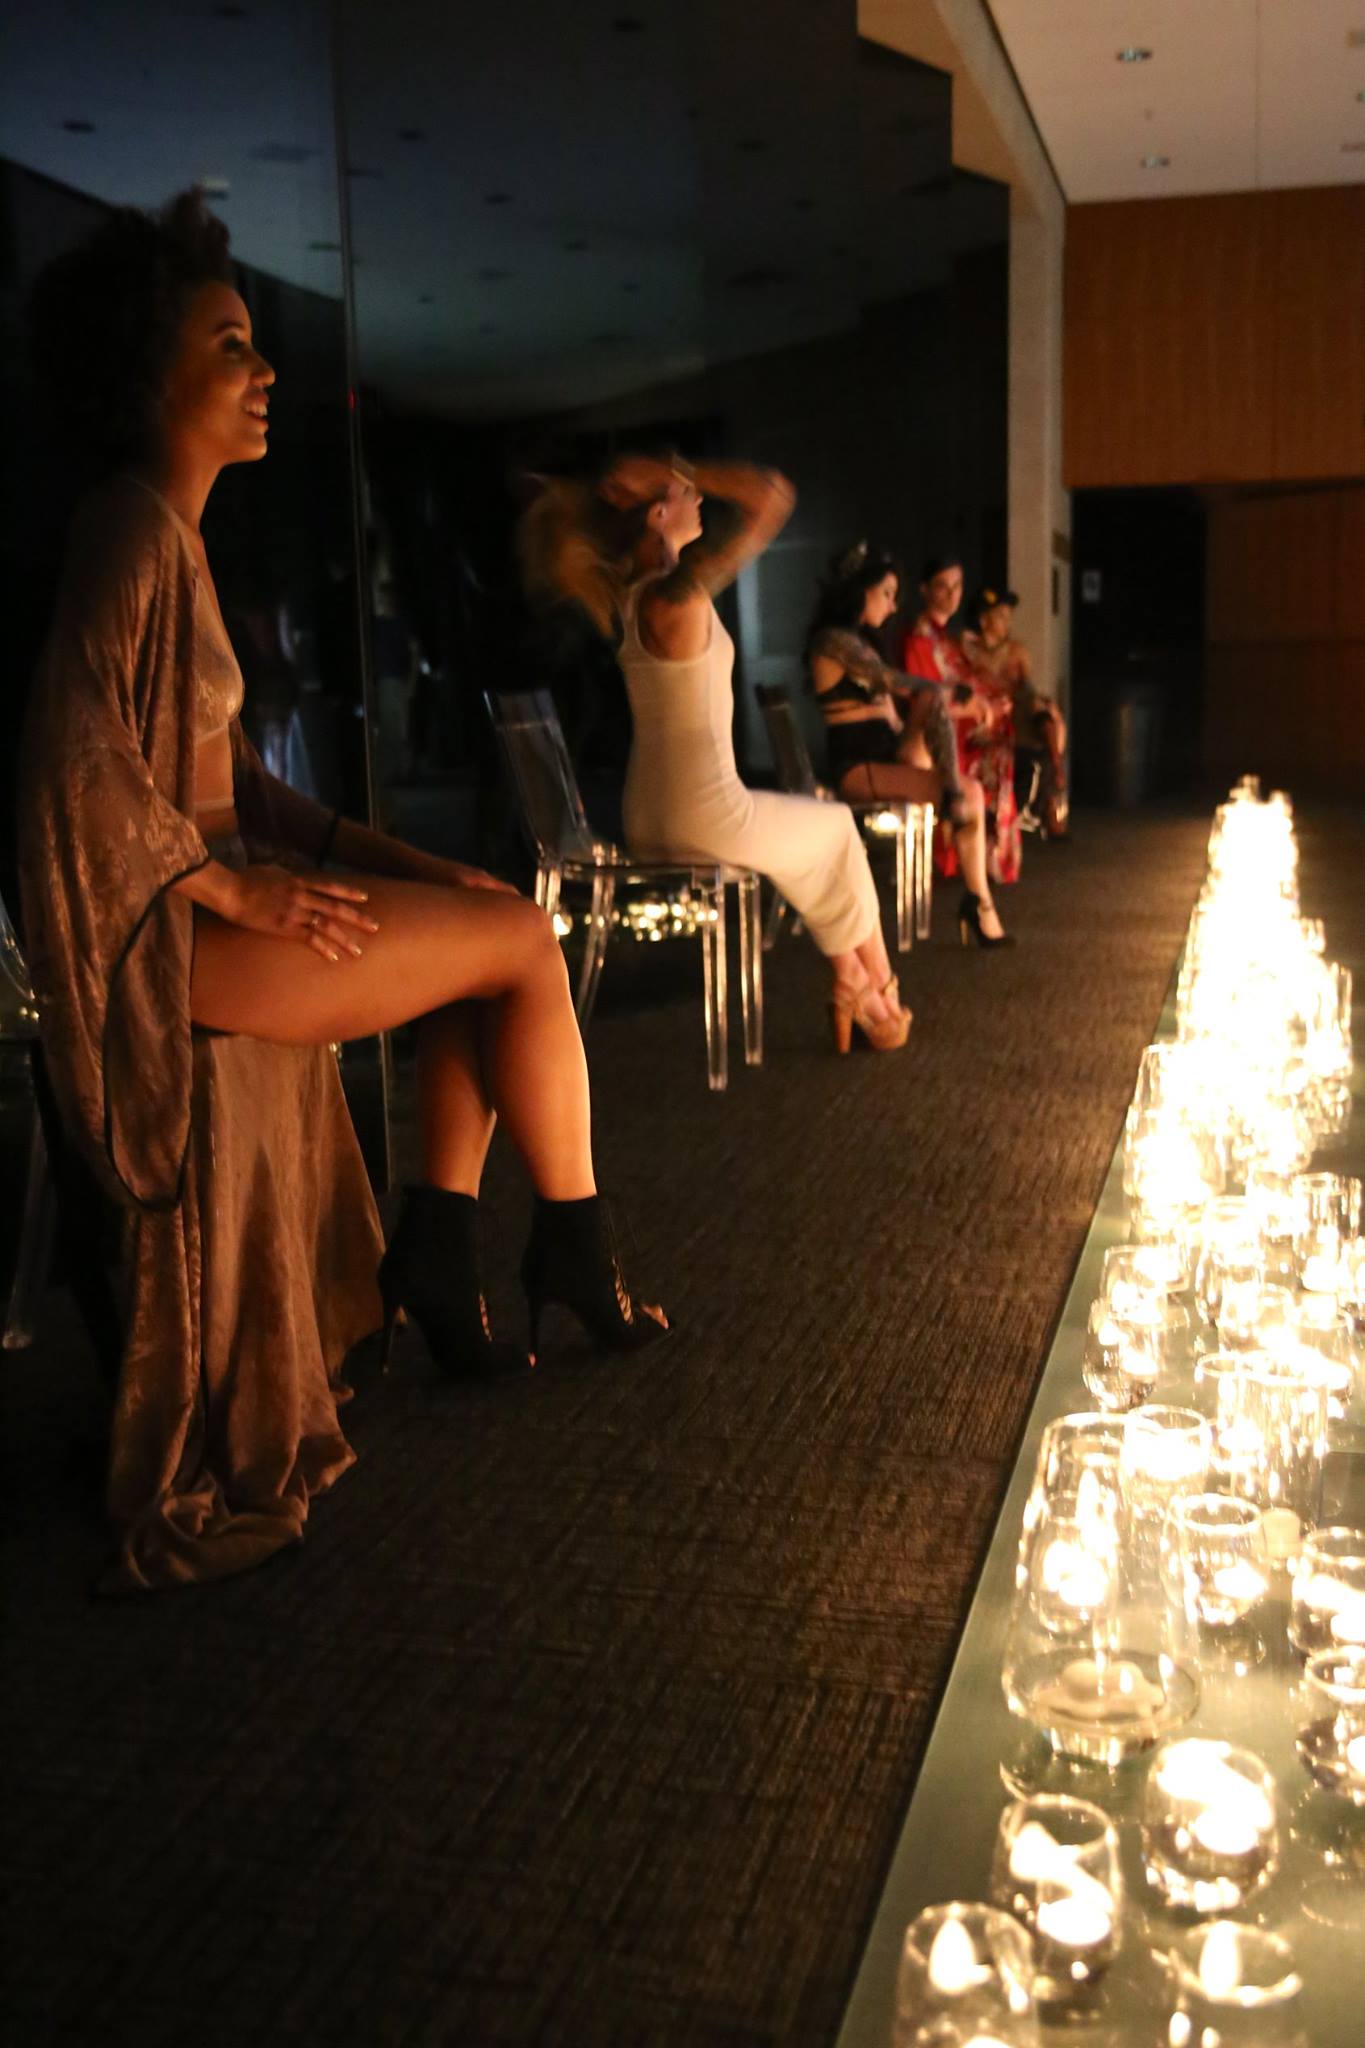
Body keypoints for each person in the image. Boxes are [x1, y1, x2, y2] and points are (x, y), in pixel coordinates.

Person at [17, 192, 664, 1595]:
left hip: (209, 906)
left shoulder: (170, 543)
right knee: (522, 949)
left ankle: (462, 1252)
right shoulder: (128, 532)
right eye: (231, 344)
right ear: (147, 375)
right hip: (172, 948)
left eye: (259, 344)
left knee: (489, 936)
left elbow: (250, 792)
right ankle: (565, 1255)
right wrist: (233, 899)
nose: (263, 373)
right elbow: (70, 766)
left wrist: (405, 862)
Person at [519, 455, 911, 1053]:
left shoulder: (634, 596)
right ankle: (881, 992)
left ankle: (851, 980)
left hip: (649, 814)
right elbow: (773, 494)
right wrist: (675, 468)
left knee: (807, 848)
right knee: (835, 830)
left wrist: (670, 480)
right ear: (657, 514)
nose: (699, 500)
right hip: (703, 814)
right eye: (684, 495)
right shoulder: (673, 595)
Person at [805, 542, 1012, 949]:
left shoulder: (862, 640)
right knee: (963, 786)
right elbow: (888, 679)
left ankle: (978, 900)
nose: (893, 604)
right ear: (858, 592)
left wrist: (949, 699)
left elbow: (903, 700)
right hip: (858, 767)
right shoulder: (834, 642)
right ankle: (977, 895)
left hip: (887, 752)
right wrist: (952, 695)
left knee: (968, 787)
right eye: (885, 593)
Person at [899, 555, 1021, 891]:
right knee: (991, 750)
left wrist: (990, 703)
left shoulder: (946, 638)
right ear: (925, 590)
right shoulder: (920, 638)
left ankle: (985, 855)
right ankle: (973, 855)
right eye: (943, 586)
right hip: (938, 733)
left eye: (957, 586)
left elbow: (965, 685)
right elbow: (925, 700)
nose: (952, 595)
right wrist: (979, 709)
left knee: (1000, 737)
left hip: (960, 725)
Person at [961, 586, 1069, 839]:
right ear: (983, 619)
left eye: (1009, 616)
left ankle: (1050, 804)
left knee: (1046, 722)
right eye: (1000, 616)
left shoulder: (1016, 652)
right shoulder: (967, 650)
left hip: (1016, 716)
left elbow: (1026, 687)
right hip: (982, 717)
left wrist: (1040, 703)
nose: (1006, 623)